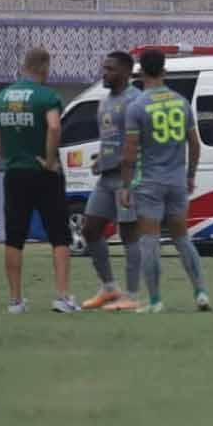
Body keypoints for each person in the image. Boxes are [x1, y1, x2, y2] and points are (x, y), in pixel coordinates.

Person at [120, 49, 208, 312]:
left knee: (149, 241)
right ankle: (201, 292)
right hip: (177, 180)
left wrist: (125, 186)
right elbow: (194, 143)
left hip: (149, 182)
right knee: (182, 239)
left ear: (141, 72)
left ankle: (156, 300)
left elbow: (130, 152)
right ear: (165, 70)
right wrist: (190, 174)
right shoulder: (181, 102)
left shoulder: (136, 106)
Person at [0, 47, 75, 314]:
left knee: (14, 236)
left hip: (15, 173)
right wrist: (50, 161)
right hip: (44, 173)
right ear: (44, 68)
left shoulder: (2, 97)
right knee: (59, 235)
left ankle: (15, 301)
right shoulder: (47, 96)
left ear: (23, 66)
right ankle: (62, 296)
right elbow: (53, 126)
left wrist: (14, 156)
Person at [79, 52, 144, 311]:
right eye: (104, 68)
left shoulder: (135, 101)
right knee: (90, 229)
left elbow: (139, 142)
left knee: (129, 234)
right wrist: (100, 160)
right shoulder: (105, 102)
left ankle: (132, 294)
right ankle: (109, 287)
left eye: (110, 69)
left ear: (126, 73)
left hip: (128, 177)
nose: (104, 73)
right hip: (106, 179)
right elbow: (110, 140)